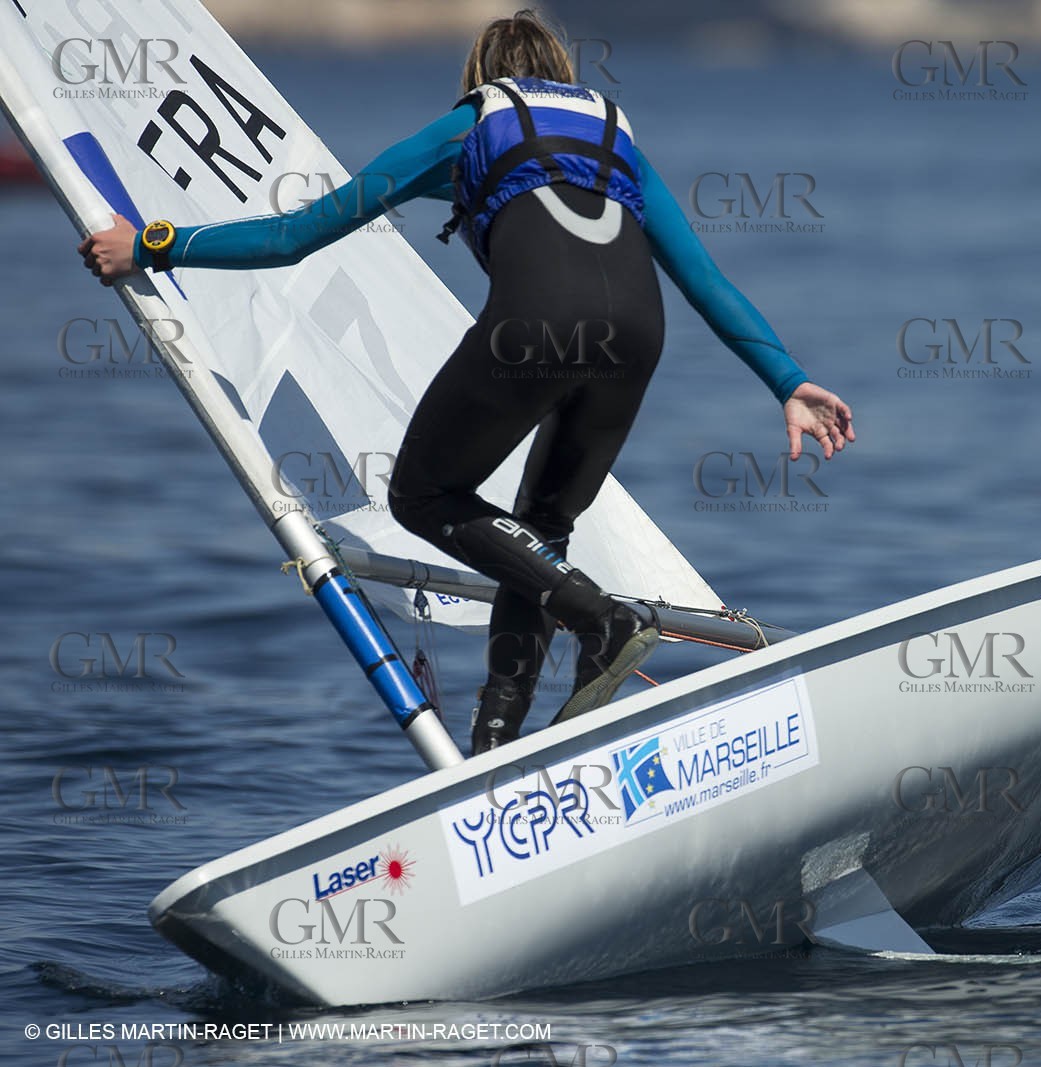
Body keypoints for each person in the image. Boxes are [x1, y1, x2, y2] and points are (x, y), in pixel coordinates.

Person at [77, 8, 854, 755]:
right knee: (538, 535)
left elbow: (293, 235)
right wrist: (788, 380)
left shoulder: (471, 125)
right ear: (563, 79)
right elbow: (705, 280)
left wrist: (153, 244)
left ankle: (602, 619)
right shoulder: (618, 141)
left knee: (423, 494)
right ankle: (495, 746)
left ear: (481, 78)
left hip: (536, 326)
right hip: (639, 338)